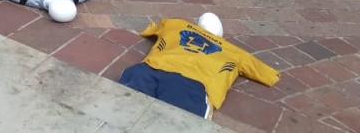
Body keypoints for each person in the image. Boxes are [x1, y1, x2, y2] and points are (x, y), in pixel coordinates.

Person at [118, 13, 281, 119]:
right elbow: (267, 73)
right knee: (176, 123)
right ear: (220, 35)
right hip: (192, 84)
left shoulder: (176, 24)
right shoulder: (235, 52)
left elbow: (153, 28)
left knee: (119, 109)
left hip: (150, 68)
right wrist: (272, 76)